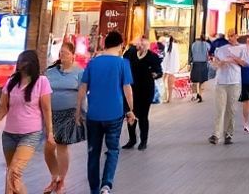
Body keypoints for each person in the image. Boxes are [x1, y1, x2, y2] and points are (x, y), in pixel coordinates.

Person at [0, 49, 55, 194]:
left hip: (30, 134)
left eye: (23, 61)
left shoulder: (42, 82)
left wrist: (50, 132)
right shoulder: (11, 82)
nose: (20, 64)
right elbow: (3, 107)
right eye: (19, 61)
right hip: (9, 134)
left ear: (31, 64)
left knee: (14, 172)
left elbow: (47, 109)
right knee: (11, 173)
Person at [78, 31, 135, 194]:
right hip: (114, 113)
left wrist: (78, 111)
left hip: (94, 114)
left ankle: (94, 189)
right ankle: (106, 184)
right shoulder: (123, 63)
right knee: (113, 150)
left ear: (105, 44)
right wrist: (131, 110)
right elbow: (127, 89)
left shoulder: (93, 63)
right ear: (120, 45)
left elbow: (83, 88)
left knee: (93, 152)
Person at [43, 42, 84, 194]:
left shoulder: (80, 72)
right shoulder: (50, 72)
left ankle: (62, 181)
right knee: (48, 148)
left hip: (69, 113)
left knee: (62, 147)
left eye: (66, 53)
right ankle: (55, 177)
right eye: (61, 52)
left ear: (73, 55)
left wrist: (80, 113)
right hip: (50, 114)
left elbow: (82, 94)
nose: (62, 55)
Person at [209, 33, 249, 144]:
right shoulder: (220, 49)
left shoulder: (242, 49)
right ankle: (216, 135)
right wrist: (218, 63)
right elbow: (214, 64)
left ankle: (228, 133)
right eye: (229, 35)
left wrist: (233, 59)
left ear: (237, 36)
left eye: (233, 35)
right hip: (221, 82)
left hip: (234, 82)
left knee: (231, 110)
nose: (231, 37)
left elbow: (246, 63)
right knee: (220, 109)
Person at [122, 36, 161, 150]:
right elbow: (124, 61)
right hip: (132, 90)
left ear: (148, 46)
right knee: (131, 114)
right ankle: (132, 139)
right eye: (140, 44)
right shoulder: (131, 53)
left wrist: (156, 74)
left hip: (146, 91)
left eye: (144, 45)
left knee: (143, 117)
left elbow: (159, 71)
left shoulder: (152, 57)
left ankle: (143, 141)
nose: (141, 46)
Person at [189, 36, 211, 103]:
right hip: (203, 63)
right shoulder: (206, 44)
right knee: (203, 80)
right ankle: (199, 94)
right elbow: (208, 52)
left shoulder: (193, 44)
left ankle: (197, 94)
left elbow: (191, 53)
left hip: (195, 63)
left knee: (196, 80)